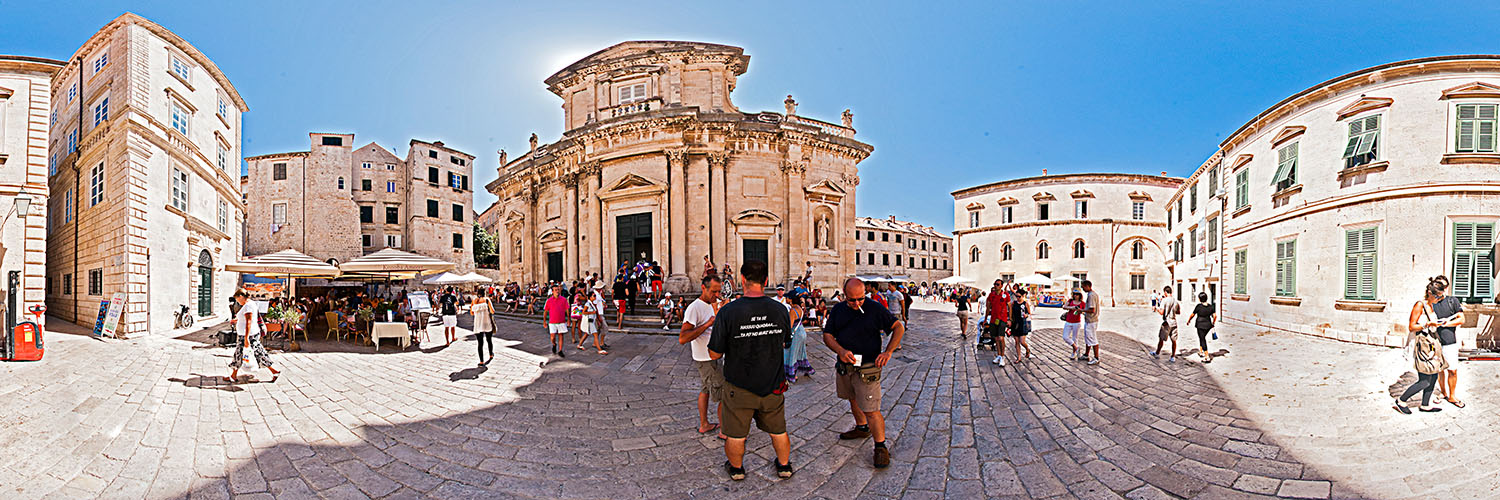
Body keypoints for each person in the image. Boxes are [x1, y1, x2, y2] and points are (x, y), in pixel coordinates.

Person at [708, 260, 795, 480]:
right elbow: (786, 342)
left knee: (736, 434)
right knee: (778, 430)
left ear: (742, 280)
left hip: (739, 385)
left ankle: (737, 470)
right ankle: (784, 466)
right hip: (772, 384)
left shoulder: (728, 311)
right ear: (766, 281)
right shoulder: (780, 309)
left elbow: (714, 354)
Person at [823, 277, 906, 469]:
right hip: (846, 365)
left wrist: (888, 351)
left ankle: (880, 446)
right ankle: (861, 428)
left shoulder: (874, 308)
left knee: (871, 408)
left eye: (860, 298)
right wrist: (840, 351)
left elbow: (898, 327)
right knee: (852, 398)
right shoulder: (838, 310)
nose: (857, 303)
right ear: (845, 296)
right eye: (852, 300)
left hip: (868, 366)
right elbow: (828, 335)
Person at [1396, 277, 1452, 414]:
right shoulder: (1419, 305)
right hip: (1421, 345)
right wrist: (1427, 324)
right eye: (1438, 297)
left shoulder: (1432, 305)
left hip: (1431, 344)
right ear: (1430, 293)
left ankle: (1425, 405)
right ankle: (1401, 400)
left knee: (1433, 375)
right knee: (1425, 379)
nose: (1439, 299)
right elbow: (1411, 326)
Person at [681, 275, 727, 437]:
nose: (717, 295)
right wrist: (708, 324)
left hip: (709, 357)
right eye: (714, 291)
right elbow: (683, 337)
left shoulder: (709, 305)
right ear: (703, 288)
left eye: (719, 291)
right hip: (707, 360)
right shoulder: (695, 308)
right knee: (724, 395)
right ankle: (724, 430)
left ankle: (704, 424)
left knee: (705, 390)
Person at [1426, 275, 1466, 408]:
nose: (1440, 290)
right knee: (1439, 370)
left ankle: (1452, 396)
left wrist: (1445, 324)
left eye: (1443, 287)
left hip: (1450, 341)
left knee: (1452, 370)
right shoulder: (1430, 301)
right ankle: (1443, 392)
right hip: (1434, 341)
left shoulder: (1452, 301)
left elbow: (1461, 319)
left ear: (1446, 287)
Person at [227, 289, 280, 383]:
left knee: (246, 354)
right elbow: (245, 318)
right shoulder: (250, 304)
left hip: (247, 335)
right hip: (249, 334)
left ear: (241, 297)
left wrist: (246, 338)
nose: (238, 302)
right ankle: (233, 375)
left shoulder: (248, 306)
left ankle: (274, 371)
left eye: (237, 299)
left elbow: (249, 322)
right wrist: (237, 320)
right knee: (256, 353)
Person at [783, 293, 812, 382]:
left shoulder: (792, 310)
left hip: (795, 333)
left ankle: (792, 374)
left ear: (790, 299)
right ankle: (805, 369)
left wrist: (785, 338)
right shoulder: (799, 308)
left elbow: (790, 326)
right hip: (801, 331)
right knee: (800, 351)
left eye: (787, 298)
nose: (785, 299)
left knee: (791, 353)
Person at [1003, 288, 1033, 363]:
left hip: (1023, 323)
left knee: (1022, 341)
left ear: (1023, 296)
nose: (1018, 298)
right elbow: (1010, 311)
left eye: (1019, 296)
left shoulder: (1025, 303)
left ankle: (1027, 349)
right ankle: (1019, 357)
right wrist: (1009, 320)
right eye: (1016, 296)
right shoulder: (1014, 303)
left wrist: (1026, 315)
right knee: (1016, 341)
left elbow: (1029, 313)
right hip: (1015, 323)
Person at [1152, 285, 1179, 363]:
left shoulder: (1164, 300)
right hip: (1174, 322)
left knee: (1161, 339)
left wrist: (1156, 308)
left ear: (1165, 292)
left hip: (1167, 322)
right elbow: (1178, 311)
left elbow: (1161, 312)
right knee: (1174, 340)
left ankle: (1157, 353)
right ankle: (1173, 356)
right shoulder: (1175, 301)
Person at [1188, 292, 1217, 363]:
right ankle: (1201, 351)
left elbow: (1192, 314)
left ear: (1200, 299)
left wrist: (1189, 320)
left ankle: (1207, 356)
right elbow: (1215, 316)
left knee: (1202, 338)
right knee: (1202, 337)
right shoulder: (1210, 306)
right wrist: (1213, 322)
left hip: (1200, 325)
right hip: (1208, 325)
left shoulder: (1199, 306)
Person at [986, 281, 1010, 363]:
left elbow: (1009, 306)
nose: (995, 286)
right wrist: (985, 319)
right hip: (993, 319)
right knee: (996, 338)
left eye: (997, 284)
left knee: (1001, 338)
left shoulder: (1005, 295)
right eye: (995, 284)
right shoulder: (991, 295)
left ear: (1001, 286)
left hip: (1002, 319)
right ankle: (999, 355)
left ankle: (1003, 356)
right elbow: (988, 307)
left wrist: (1010, 319)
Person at [471, 292, 496, 366]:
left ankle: (481, 361)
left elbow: (472, 313)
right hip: (486, 322)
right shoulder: (487, 299)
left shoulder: (474, 300)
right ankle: (491, 354)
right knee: (489, 340)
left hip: (478, 324)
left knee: (480, 343)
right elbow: (492, 311)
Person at [543, 285, 568, 358]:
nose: (557, 291)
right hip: (552, 321)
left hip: (561, 321)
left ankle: (560, 350)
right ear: (552, 291)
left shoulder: (563, 299)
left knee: (561, 336)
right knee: (552, 337)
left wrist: (568, 319)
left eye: (558, 289)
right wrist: (544, 321)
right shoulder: (549, 300)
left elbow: (566, 309)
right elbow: (545, 311)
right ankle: (554, 344)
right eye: (555, 290)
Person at [1081, 280, 1101, 365]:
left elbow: (1091, 309)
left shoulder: (1091, 296)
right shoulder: (1092, 294)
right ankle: (1086, 354)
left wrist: (1081, 310)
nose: (1082, 289)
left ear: (1087, 286)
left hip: (1091, 320)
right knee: (1088, 338)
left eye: (1083, 287)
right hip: (1090, 320)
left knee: (1092, 339)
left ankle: (1096, 357)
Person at [1061, 291, 1085, 360]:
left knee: (1075, 338)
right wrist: (1072, 307)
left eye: (1077, 294)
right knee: (1065, 337)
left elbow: (1084, 311)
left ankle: (1073, 353)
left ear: (1080, 295)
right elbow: (1064, 307)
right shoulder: (1070, 301)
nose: (1075, 296)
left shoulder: (1082, 303)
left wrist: (1080, 310)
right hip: (1068, 321)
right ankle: (1076, 347)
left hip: (1077, 322)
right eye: (1074, 294)